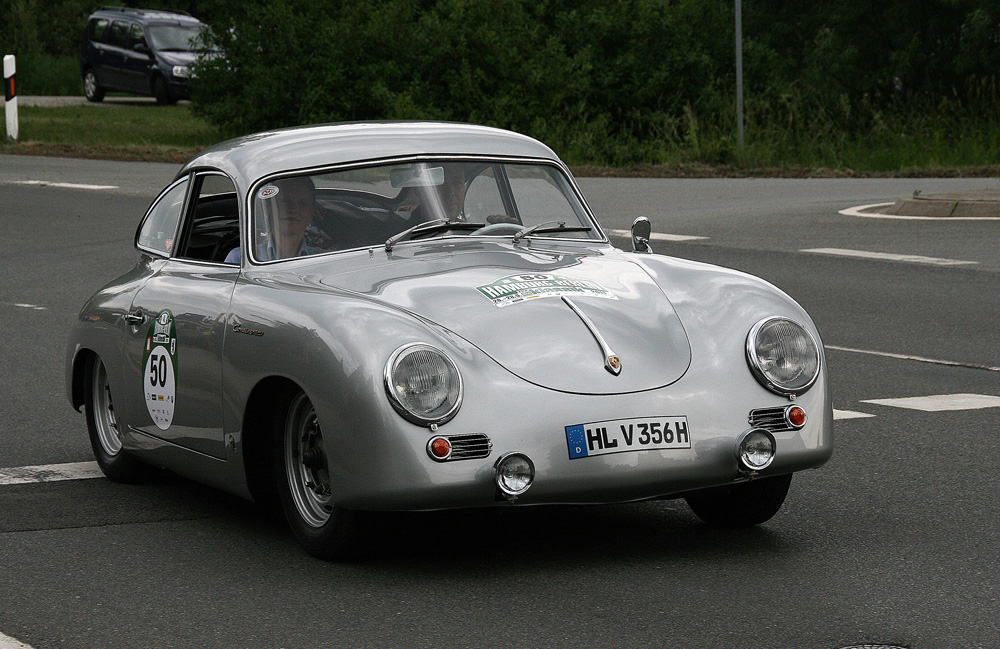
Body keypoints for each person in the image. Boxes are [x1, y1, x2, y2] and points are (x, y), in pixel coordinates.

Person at [225, 175, 323, 263]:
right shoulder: (239, 259)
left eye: (302, 203)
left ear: (312, 213)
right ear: (268, 209)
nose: (293, 209)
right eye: (285, 201)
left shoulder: (323, 260)